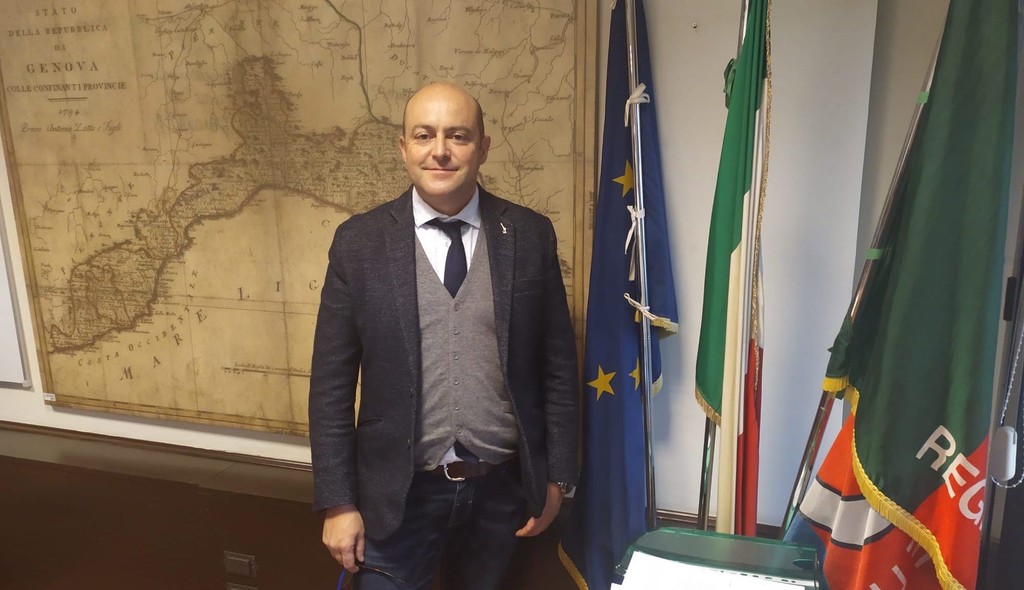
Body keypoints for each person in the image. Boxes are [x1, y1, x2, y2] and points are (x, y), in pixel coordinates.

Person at [308, 81, 579, 590]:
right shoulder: (358, 243)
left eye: (458, 135)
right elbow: (331, 386)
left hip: (502, 491)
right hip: (396, 495)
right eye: (424, 135)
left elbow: (557, 366)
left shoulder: (529, 234)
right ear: (403, 147)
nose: (440, 150)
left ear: (483, 147)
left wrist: (557, 478)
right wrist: (338, 501)